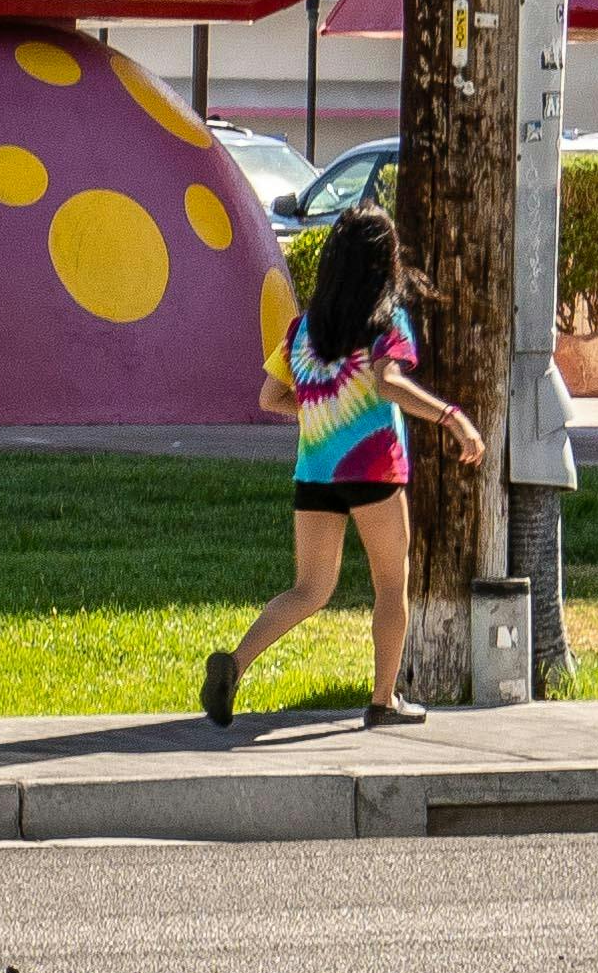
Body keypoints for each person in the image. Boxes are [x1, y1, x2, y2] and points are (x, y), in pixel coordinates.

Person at [205, 199, 482, 731]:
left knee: (309, 591)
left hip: (314, 475)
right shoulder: (386, 319)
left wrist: (320, 413)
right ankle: (383, 701)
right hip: (374, 473)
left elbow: (270, 397)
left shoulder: (302, 328)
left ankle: (235, 664)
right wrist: (452, 418)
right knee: (389, 588)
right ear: (385, 263)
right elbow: (388, 383)